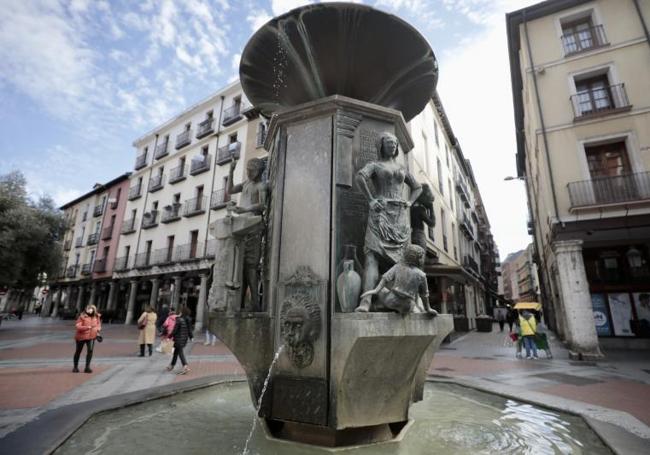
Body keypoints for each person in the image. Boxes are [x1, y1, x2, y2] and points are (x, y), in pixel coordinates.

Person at [355, 132, 422, 312]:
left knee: (406, 262)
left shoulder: (402, 168)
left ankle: (413, 302)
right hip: (380, 215)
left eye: (394, 142)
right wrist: (370, 199)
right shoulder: (375, 165)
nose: (392, 145)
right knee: (371, 257)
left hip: (399, 217)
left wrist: (409, 202)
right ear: (381, 146)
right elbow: (360, 177)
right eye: (388, 142)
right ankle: (366, 301)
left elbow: (417, 187)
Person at [227, 156, 268, 311]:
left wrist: (245, 209)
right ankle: (241, 303)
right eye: (248, 170)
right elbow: (230, 190)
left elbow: (263, 205)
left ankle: (255, 304)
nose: (249, 173)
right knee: (241, 267)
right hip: (242, 228)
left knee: (251, 267)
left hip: (254, 227)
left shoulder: (261, 186)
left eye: (252, 171)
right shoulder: (245, 183)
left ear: (258, 171)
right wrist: (231, 170)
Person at [73, 304, 101, 373]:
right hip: (81, 336)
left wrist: (97, 331)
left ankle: (87, 367)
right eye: (88, 309)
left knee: (90, 351)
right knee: (78, 351)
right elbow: (77, 326)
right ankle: (75, 367)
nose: (89, 310)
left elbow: (98, 325)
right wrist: (87, 327)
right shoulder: (82, 316)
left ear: (93, 310)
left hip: (92, 336)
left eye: (90, 309)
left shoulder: (96, 316)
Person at [167, 307, 193, 374]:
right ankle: (172, 365)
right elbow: (190, 329)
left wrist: (169, 336)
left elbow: (175, 330)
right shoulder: (188, 319)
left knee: (180, 352)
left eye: (180, 311)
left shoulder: (179, 320)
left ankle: (185, 366)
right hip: (184, 339)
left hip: (178, 338)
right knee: (176, 352)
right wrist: (191, 337)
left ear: (182, 312)